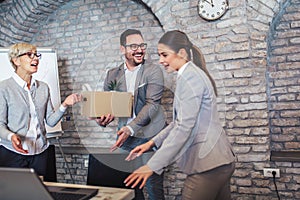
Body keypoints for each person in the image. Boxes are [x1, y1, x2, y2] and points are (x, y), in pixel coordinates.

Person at [124, 30, 236, 200]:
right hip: (219, 161)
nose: (161, 60)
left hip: (208, 164)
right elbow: (179, 122)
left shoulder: (190, 77)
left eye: (164, 55)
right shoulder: (190, 75)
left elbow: (184, 127)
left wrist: (152, 166)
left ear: (181, 53)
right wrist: (152, 143)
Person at [94, 29, 166, 199]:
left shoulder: (153, 71)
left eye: (142, 45)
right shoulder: (112, 74)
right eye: (133, 46)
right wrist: (102, 120)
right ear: (122, 49)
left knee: (153, 185)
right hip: (125, 140)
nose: (139, 50)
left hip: (150, 138)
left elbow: (152, 105)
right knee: (127, 184)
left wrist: (129, 128)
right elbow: (108, 106)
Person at [0, 43, 81, 180]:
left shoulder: (43, 87)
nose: (36, 59)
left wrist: (65, 105)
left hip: (41, 152)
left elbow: (50, 121)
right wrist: (11, 136)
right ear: (16, 60)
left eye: (36, 55)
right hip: (13, 153)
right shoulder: (4, 88)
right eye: (29, 55)